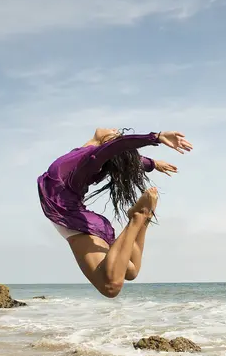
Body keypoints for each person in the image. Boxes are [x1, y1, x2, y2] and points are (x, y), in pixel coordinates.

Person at [37, 127, 192, 298]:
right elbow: (118, 155)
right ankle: (141, 219)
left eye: (116, 135)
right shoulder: (87, 158)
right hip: (76, 218)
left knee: (111, 287)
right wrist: (153, 164)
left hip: (74, 219)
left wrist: (156, 137)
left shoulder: (89, 159)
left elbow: (116, 148)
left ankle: (138, 216)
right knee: (131, 270)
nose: (115, 130)